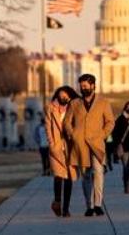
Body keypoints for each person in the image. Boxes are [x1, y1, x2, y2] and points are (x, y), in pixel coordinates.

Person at [64, 74, 115, 217]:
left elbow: (110, 122)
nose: (83, 88)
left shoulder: (103, 102)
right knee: (86, 176)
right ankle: (89, 206)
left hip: (97, 144)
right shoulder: (74, 103)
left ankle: (98, 204)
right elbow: (67, 122)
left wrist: (103, 135)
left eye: (85, 86)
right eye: (81, 86)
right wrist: (73, 134)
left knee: (98, 173)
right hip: (80, 144)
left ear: (93, 85)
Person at [45, 86, 80, 218]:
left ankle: (66, 208)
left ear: (70, 96)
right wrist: (52, 144)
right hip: (57, 146)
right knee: (59, 176)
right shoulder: (50, 108)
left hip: (70, 147)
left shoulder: (75, 109)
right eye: (61, 95)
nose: (63, 98)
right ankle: (57, 201)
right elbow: (48, 127)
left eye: (65, 95)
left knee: (70, 177)